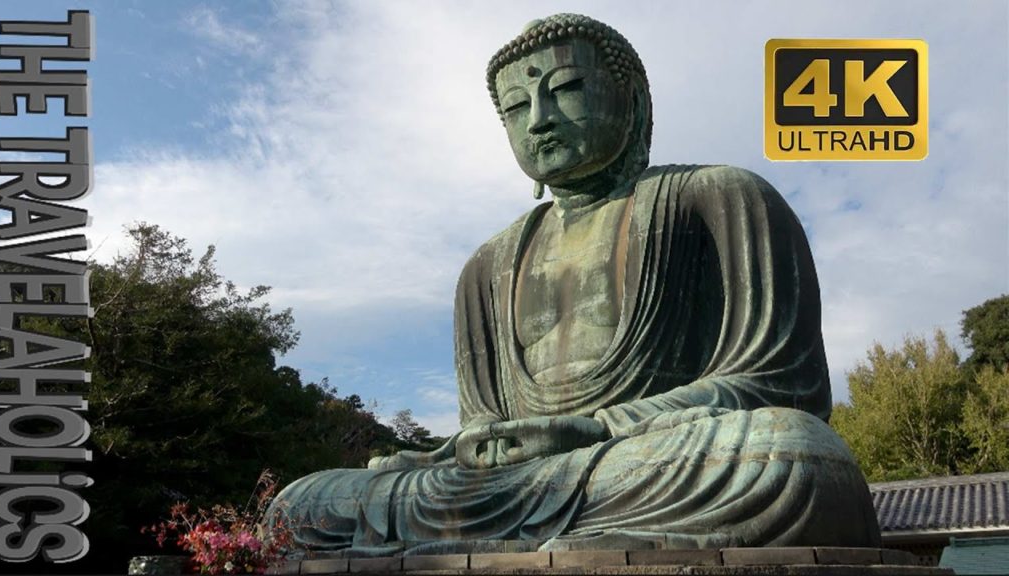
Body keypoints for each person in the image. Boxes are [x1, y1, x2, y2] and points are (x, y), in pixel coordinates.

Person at [265, 13, 881, 555]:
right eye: (515, 108)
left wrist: (596, 428)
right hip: (523, 483)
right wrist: (451, 453)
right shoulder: (486, 266)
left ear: (632, 98)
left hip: (642, 455)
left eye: (566, 89)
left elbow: (782, 387)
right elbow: (486, 428)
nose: (539, 120)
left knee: (795, 456)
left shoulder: (716, 197)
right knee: (301, 505)